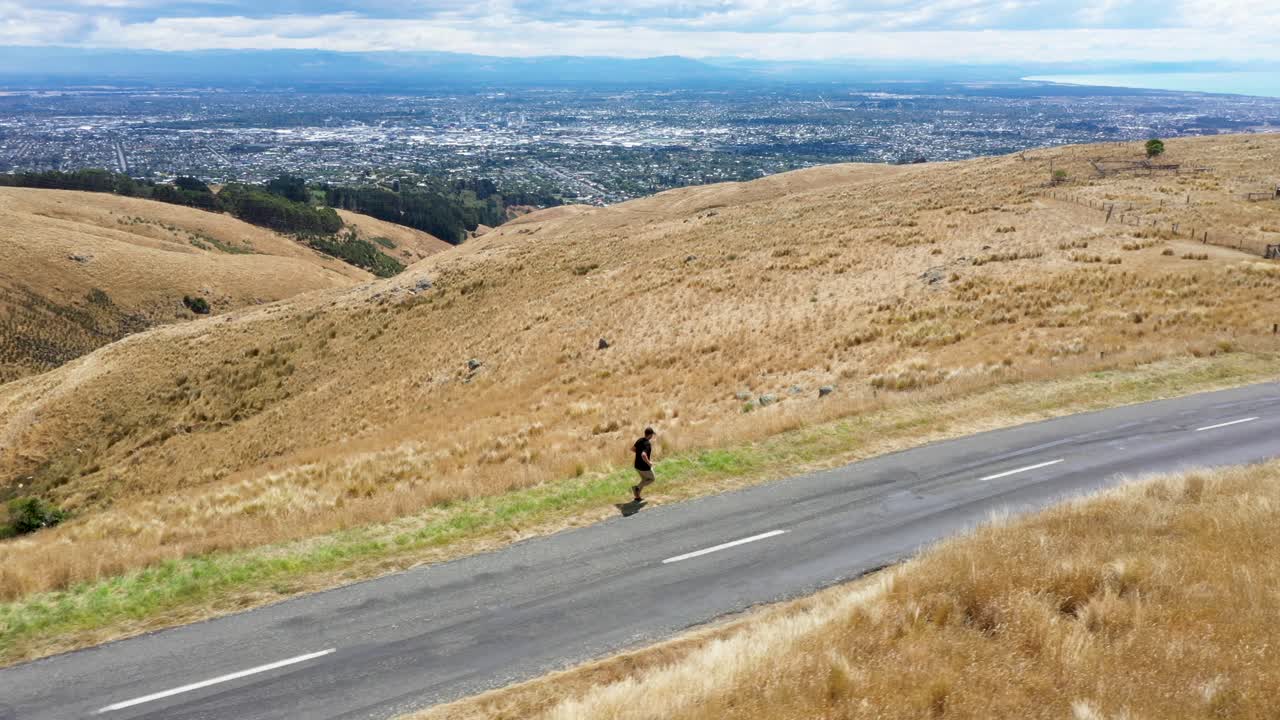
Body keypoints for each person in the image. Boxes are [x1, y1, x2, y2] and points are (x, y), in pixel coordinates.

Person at [631, 427, 656, 502]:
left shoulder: (639, 440)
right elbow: (643, 455)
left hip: (637, 465)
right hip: (644, 467)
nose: (652, 436)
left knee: (644, 480)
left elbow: (632, 449)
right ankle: (637, 488)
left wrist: (638, 453)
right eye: (652, 435)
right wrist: (649, 463)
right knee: (652, 479)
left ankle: (637, 497)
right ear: (650, 435)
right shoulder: (647, 444)